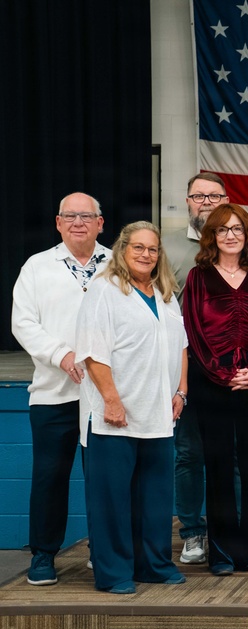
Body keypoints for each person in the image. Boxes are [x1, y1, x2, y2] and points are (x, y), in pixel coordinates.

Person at [76, 222, 188, 594]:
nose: (146, 254)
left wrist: (181, 392)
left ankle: (154, 565)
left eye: (152, 249)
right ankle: (114, 573)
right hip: (115, 415)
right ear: (122, 249)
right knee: (111, 500)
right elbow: (92, 352)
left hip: (158, 412)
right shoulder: (104, 291)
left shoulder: (165, 293)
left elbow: (182, 346)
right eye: (137, 247)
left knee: (154, 499)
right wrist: (110, 399)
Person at [12, 192, 110, 586]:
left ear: (101, 223)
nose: (78, 222)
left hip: (105, 396)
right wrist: (60, 354)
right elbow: (23, 323)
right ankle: (43, 555)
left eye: (87, 216)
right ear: (57, 223)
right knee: (50, 477)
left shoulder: (117, 263)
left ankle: (103, 551)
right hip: (54, 393)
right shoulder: (37, 267)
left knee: (105, 479)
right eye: (70, 216)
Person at [182, 203, 248, 575]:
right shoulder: (198, 277)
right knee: (218, 465)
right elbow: (194, 332)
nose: (231, 235)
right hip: (212, 384)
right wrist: (223, 375)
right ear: (212, 236)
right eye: (223, 229)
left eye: (238, 228)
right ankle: (222, 552)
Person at [163, 172, 229, 566]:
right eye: (197, 196)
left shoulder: (241, 241)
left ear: (225, 199)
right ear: (187, 201)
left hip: (231, 367)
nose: (205, 201)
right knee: (189, 452)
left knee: (231, 451)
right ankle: (191, 532)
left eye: (212, 195)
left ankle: (227, 528)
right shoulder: (167, 246)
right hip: (186, 365)